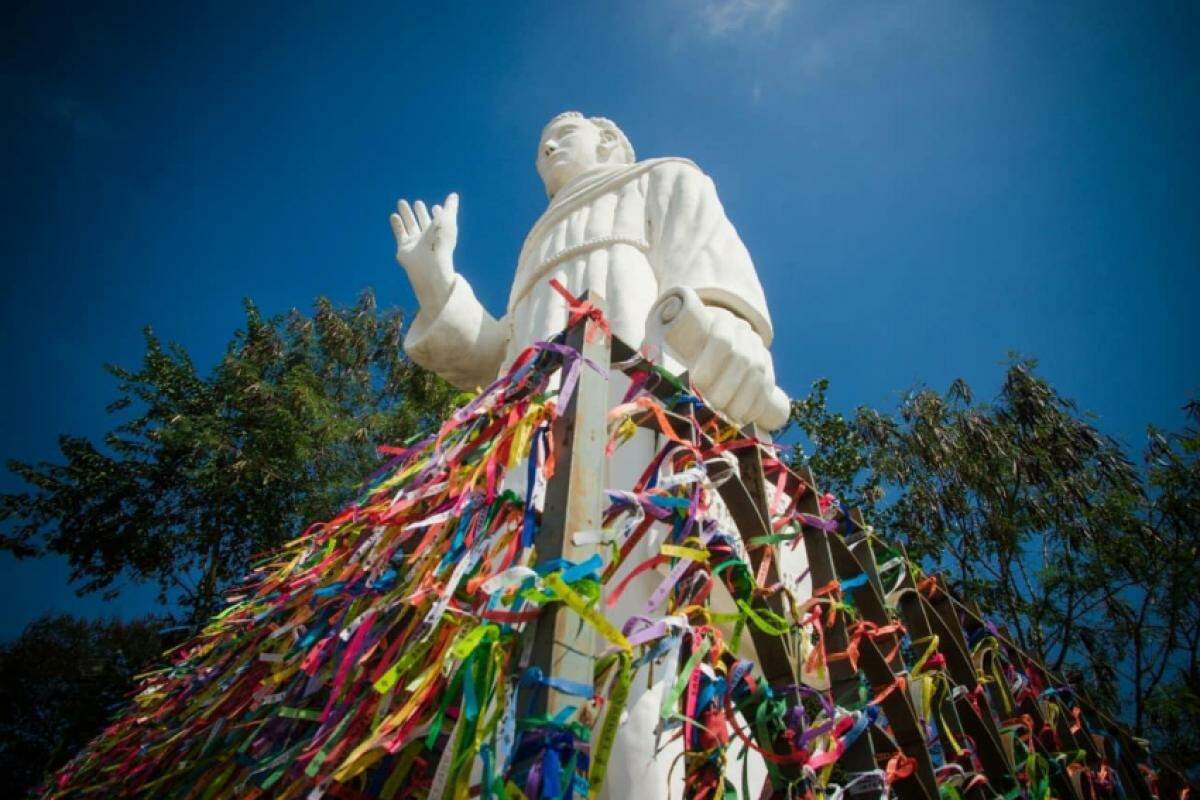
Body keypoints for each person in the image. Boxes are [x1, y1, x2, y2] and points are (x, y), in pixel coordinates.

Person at [390, 112, 790, 799]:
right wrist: (441, 290)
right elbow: (496, 354)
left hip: (642, 431)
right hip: (531, 460)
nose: (545, 144)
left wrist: (729, 340)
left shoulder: (660, 179)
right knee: (509, 638)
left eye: (563, 130)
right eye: (542, 137)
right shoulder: (534, 245)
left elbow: (714, 280)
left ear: (609, 141)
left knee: (647, 620)